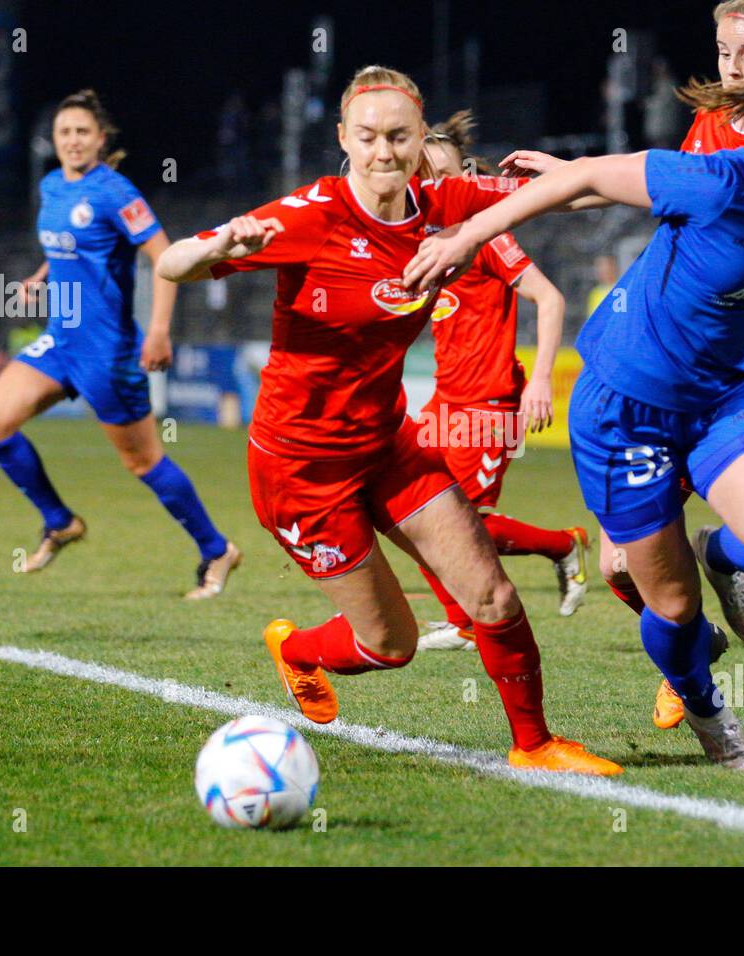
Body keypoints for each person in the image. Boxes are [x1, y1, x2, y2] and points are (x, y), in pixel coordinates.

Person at [156, 66, 621, 776]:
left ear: (418, 138)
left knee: (491, 593)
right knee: (391, 644)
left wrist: (589, 170)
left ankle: (535, 745)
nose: (383, 152)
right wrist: (217, 248)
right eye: (367, 137)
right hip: (300, 470)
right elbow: (176, 263)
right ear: (344, 139)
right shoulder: (309, 216)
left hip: (387, 446)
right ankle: (299, 649)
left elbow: (568, 194)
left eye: (398, 136)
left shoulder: (443, 203)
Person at [407, 56, 744, 772]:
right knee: (671, 608)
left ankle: (717, 551)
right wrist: (465, 237)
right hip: (625, 407)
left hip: (723, 399)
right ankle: (713, 718)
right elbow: (587, 180)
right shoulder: (712, 181)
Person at [497, 0, 744, 765]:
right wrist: (574, 176)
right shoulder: (712, 129)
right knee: (616, 566)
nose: (733, 69)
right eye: (723, 52)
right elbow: (662, 187)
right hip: (673, 369)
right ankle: (690, 646)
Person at [0, 89, 240, 599]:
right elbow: (71, 247)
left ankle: (216, 549)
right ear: (53, 140)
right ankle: (59, 521)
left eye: (81, 132)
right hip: (60, 341)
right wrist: (40, 274)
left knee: (142, 462)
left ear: (100, 139)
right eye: (63, 133)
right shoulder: (52, 186)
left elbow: (167, 259)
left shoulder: (117, 193)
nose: (72, 140)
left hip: (107, 352)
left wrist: (160, 330)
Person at [415, 111, 588, 652]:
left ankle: (564, 546)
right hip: (446, 398)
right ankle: (461, 618)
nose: (434, 186)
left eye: (443, 174)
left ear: (465, 178)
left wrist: (539, 382)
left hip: (489, 401)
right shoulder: (427, 242)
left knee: (462, 524)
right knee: (401, 504)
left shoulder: (485, 236)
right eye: (424, 176)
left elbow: (551, 297)